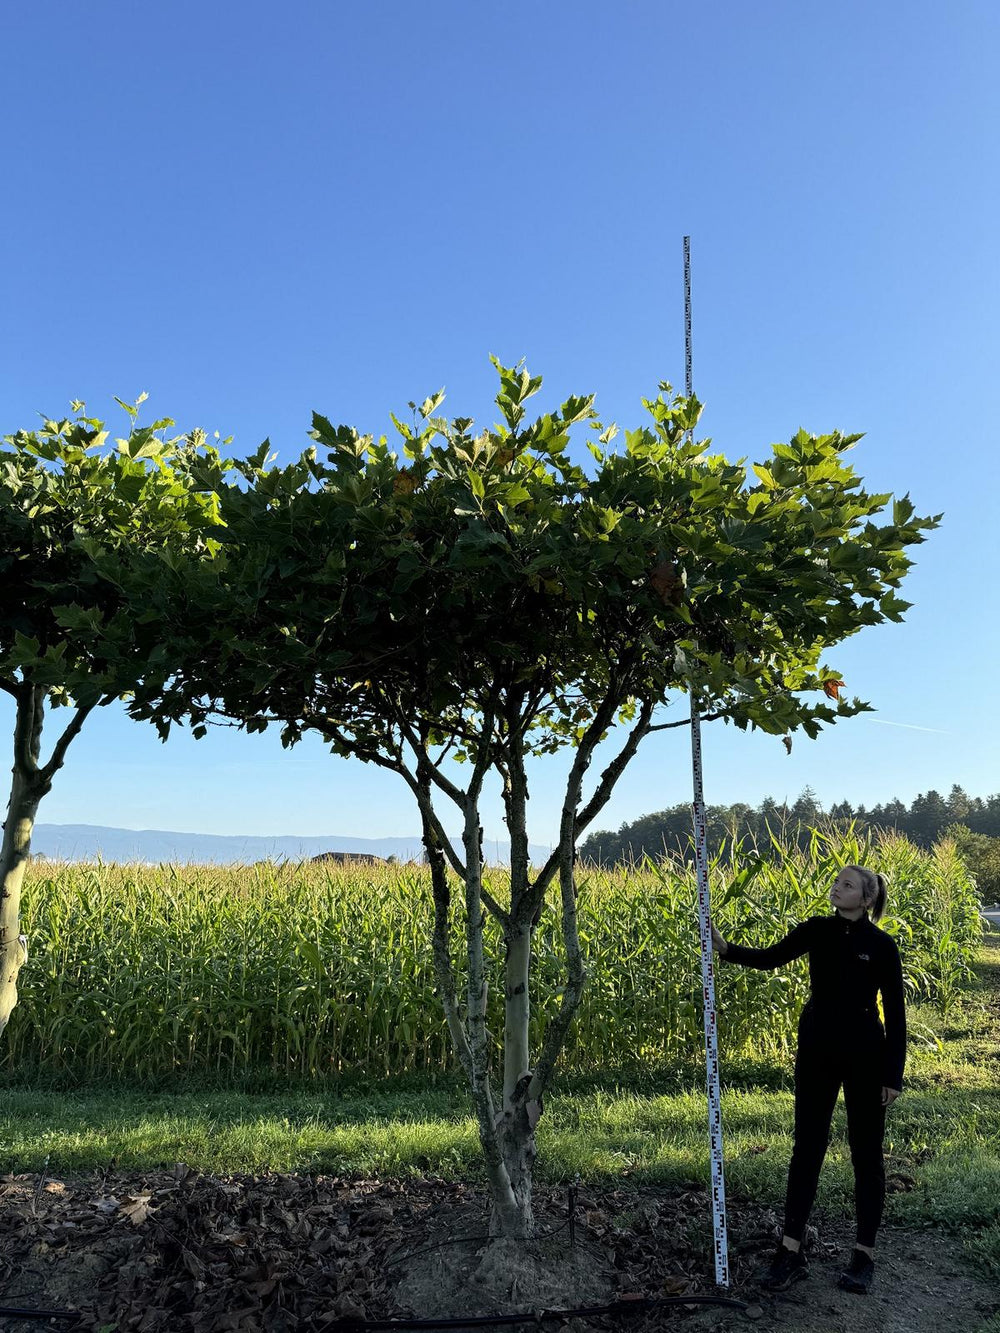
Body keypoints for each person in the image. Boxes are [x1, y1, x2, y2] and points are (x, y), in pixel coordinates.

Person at [710, 864, 905, 1296]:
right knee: (807, 1149)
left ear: (867, 899)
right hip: (817, 1052)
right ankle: (790, 1250)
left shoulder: (882, 946)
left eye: (847, 885)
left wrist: (893, 1074)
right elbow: (771, 957)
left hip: (866, 1057)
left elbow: (895, 1011)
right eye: (835, 882)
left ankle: (864, 1255)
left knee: (866, 1155)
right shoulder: (816, 930)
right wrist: (726, 950)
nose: (836, 888)